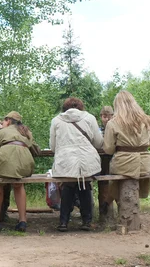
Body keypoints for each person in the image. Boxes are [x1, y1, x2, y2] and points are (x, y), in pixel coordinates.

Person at [50, 97, 103, 232]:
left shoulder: (56, 121)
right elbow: (98, 142)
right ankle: (87, 221)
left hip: (65, 163)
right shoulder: (90, 118)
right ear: (81, 107)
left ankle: (63, 221)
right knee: (84, 184)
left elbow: (53, 147)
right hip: (88, 162)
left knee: (69, 184)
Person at [0, 111, 40, 233]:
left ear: (8, 121)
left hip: (5, 162)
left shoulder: (0, 132)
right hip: (25, 164)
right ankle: (22, 220)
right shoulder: (26, 132)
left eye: (3, 120)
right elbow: (35, 149)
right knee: (18, 184)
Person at [103, 91, 150, 204]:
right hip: (144, 164)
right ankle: (110, 203)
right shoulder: (148, 120)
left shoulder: (113, 123)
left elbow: (108, 149)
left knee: (115, 178)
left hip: (123, 164)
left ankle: (108, 202)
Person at [98, 106, 114, 222]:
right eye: (104, 117)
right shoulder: (98, 130)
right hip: (101, 160)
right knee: (103, 184)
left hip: (114, 159)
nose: (107, 119)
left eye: (109, 116)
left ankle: (114, 213)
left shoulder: (116, 128)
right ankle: (104, 215)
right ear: (101, 117)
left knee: (114, 184)